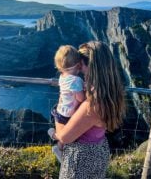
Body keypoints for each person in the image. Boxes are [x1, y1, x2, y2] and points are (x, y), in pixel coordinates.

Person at [51, 41, 126, 179]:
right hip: (99, 149)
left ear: (91, 67)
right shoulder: (111, 93)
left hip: (82, 157)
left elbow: (64, 137)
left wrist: (57, 111)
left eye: (80, 66)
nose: (79, 71)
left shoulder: (92, 104)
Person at [48, 45, 86, 162]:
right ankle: (58, 145)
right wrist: (84, 91)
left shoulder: (62, 76)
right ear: (77, 65)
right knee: (69, 136)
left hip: (60, 111)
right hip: (68, 114)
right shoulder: (76, 80)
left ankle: (56, 138)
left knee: (64, 135)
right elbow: (80, 98)